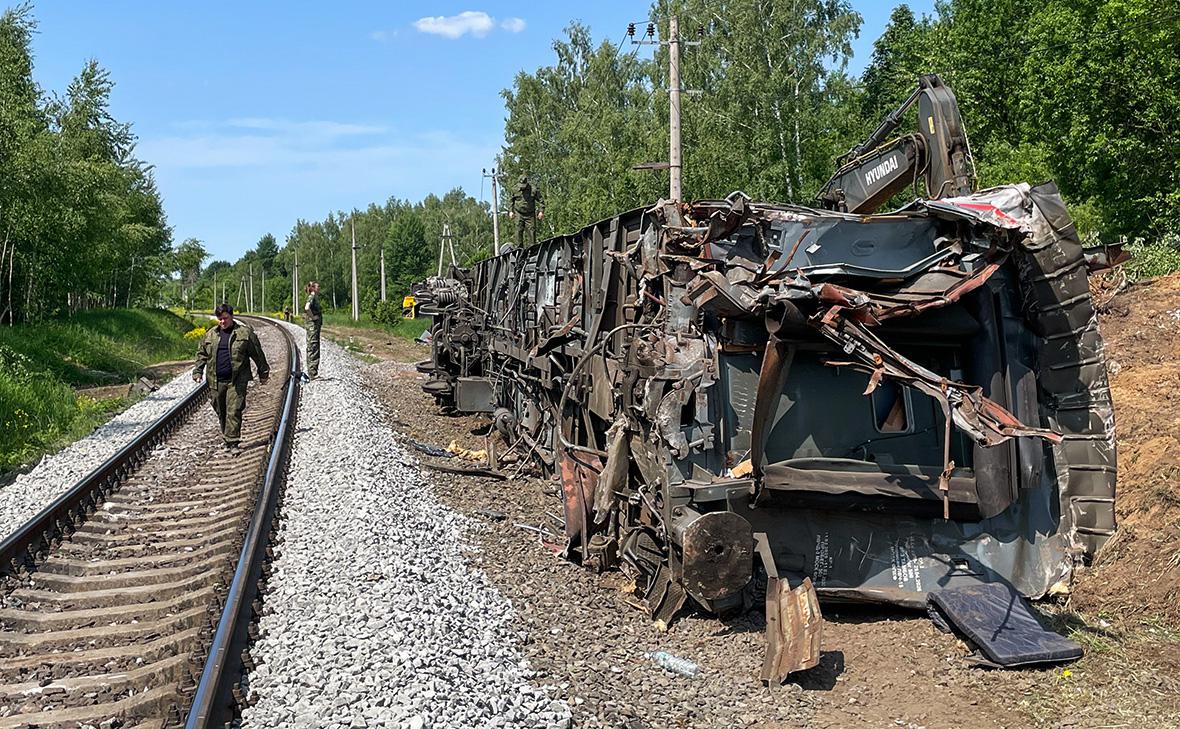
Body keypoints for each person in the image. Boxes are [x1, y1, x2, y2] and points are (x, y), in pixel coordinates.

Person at [192, 304, 270, 452]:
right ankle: (227, 437)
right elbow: (202, 354)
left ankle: (233, 442)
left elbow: (257, 354)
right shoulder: (211, 334)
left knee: (234, 410)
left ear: (232, 316)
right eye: (220, 319)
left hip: (237, 380)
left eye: (225, 318)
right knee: (221, 410)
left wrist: (263, 372)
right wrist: (198, 371)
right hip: (216, 380)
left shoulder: (244, 333)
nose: (222, 322)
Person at [509, 174, 543, 247]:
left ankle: (532, 249)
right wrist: (511, 211)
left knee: (532, 232)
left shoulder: (533, 189)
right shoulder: (514, 189)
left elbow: (541, 200)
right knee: (518, 231)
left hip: (530, 214)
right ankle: (519, 249)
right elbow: (511, 201)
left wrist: (541, 211)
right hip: (519, 213)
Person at [304, 281, 322, 379]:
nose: (319, 288)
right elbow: (307, 308)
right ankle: (312, 373)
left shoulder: (314, 297)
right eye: (318, 287)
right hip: (313, 327)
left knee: (313, 347)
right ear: (313, 288)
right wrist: (313, 317)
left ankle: (312, 372)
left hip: (314, 327)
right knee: (313, 347)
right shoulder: (312, 297)